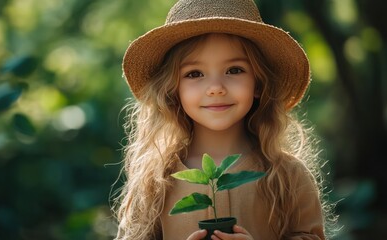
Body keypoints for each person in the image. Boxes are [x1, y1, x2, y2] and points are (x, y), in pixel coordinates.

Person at [113, 0, 336, 239]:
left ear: (258, 83)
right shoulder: (155, 181)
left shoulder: (287, 175)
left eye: (234, 70)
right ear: (172, 90)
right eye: (194, 74)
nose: (216, 88)